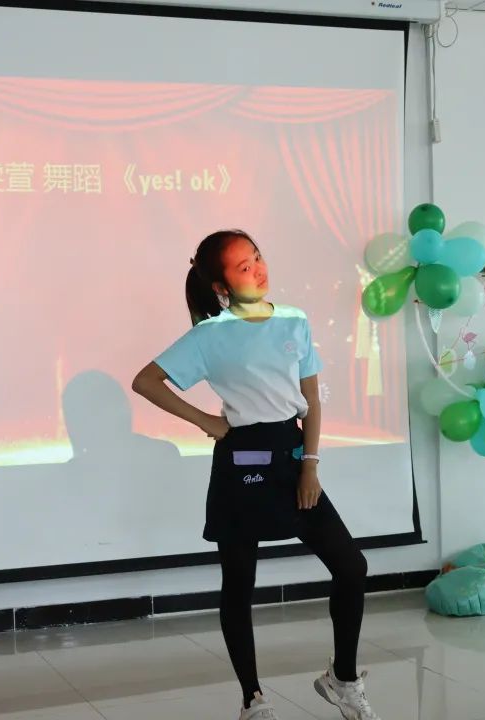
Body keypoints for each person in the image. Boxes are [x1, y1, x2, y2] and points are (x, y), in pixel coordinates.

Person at [132, 230, 381, 720]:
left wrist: (310, 464)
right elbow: (146, 381)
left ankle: (343, 679)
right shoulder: (210, 334)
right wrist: (204, 421)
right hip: (241, 462)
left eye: (258, 257)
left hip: (292, 457)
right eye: (244, 267)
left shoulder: (294, 320)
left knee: (352, 568)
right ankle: (253, 699)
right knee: (239, 585)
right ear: (221, 285)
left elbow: (311, 400)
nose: (259, 269)